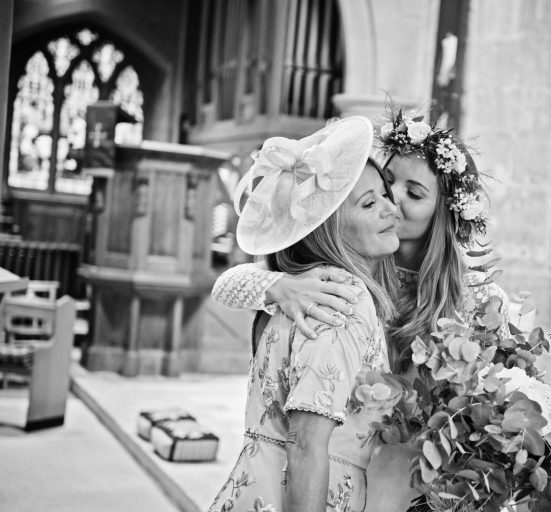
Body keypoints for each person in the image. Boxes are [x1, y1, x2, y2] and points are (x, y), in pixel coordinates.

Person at [211, 105, 516, 511]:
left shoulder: (472, 295)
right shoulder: (343, 275)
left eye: (416, 193)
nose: (396, 201)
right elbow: (227, 283)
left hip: (407, 463)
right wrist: (279, 285)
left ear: (441, 212)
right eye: (387, 186)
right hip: (330, 463)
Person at [208, 116, 402, 512]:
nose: (391, 208)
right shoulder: (338, 298)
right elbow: (306, 443)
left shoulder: (297, 286)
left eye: (385, 194)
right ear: (328, 228)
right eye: (369, 203)